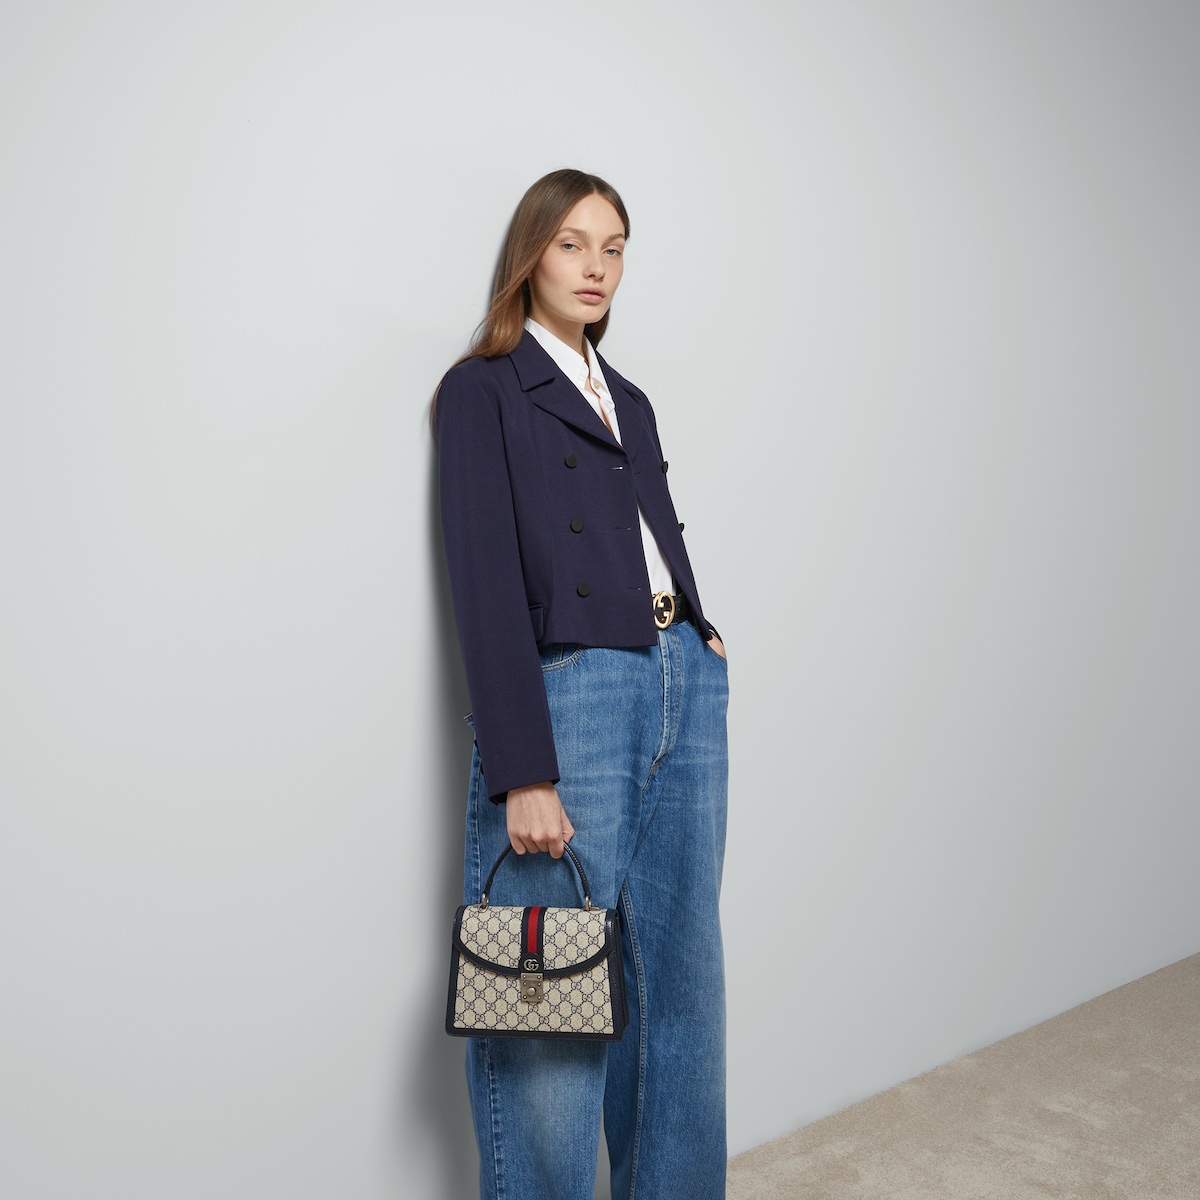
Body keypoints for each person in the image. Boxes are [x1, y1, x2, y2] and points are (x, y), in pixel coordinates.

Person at [434, 168, 729, 1200]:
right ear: (531, 254)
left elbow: (643, 532)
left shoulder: (629, 398)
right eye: (572, 244)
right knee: (548, 989)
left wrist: (701, 632)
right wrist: (523, 769)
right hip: (576, 693)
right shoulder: (484, 388)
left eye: (613, 248)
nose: (596, 267)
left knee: (681, 983)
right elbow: (482, 579)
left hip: (679, 679)